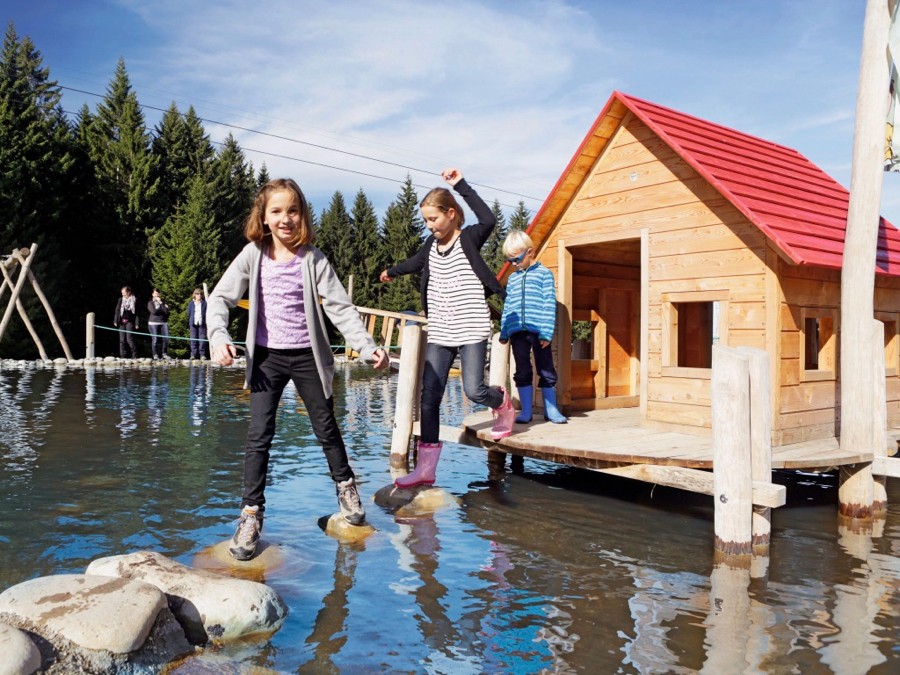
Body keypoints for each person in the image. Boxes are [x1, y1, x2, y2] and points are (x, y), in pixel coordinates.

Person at [208, 177, 390, 561]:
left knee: (326, 426)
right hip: (267, 359)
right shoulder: (251, 255)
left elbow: (340, 308)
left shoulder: (313, 259)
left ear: (302, 214)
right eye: (276, 211)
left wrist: (368, 347)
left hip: (308, 355)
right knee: (259, 435)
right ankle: (251, 514)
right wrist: (218, 336)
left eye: (292, 210)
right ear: (264, 216)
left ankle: (346, 487)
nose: (285, 218)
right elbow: (220, 298)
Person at [379, 168, 515, 489]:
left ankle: (502, 403)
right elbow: (414, 263)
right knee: (430, 398)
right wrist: (392, 272)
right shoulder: (430, 245)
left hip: (471, 327)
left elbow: (489, 220)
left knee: (473, 390)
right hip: (441, 329)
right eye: (426, 220)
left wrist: (460, 185)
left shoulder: (468, 237)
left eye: (434, 219)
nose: (430, 226)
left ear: (451, 214)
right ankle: (426, 469)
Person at [499, 230, 567, 424]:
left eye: (517, 258)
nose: (514, 263)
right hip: (517, 332)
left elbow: (548, 304)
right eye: (509, 260)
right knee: (522, 369)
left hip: (538, 331)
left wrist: (546, 332)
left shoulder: (544, 274)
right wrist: (504, 330)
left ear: (530, 252)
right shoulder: (513, 279)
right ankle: (526, 411)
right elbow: (508, 306)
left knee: (546, 368)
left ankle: (551, 410)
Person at [113, 286, 139, 358]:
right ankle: (123, 356)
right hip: (121, 321)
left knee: (129, 339)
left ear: (129, 292)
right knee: (122, 340)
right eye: (122, 293)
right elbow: (117, 310)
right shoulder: (120, 299)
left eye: (124, 293)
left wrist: (137, 323)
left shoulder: (135, 300)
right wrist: (115, 320)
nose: (123, 294)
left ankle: (134, 355)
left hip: (130, 321)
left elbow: (137, 313)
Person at [147, 288, 170, 360]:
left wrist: (161, 303)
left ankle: (164, 354)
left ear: (159, 294)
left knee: (166, 339)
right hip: (153, 323)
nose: (156, 295)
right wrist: (162, 309)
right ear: (152, 294)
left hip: (163, 322)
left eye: (157, 293)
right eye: (155, 293)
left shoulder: (163, 302)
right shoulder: (150, 303)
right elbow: (154, 311)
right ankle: (155, 354)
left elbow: (166, 311)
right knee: (155, 339)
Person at [187, 289, 208, 359]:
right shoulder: (191, 303)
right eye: (197, 294)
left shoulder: (205, 303)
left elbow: (207, 313)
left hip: (202, 323)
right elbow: (189, 312)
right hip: (193, 323)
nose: (199, 295)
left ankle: (202, 355)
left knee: (202, 339)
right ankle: (193, 355)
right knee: (193, 339)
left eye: (200, 294)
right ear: (194, 295)